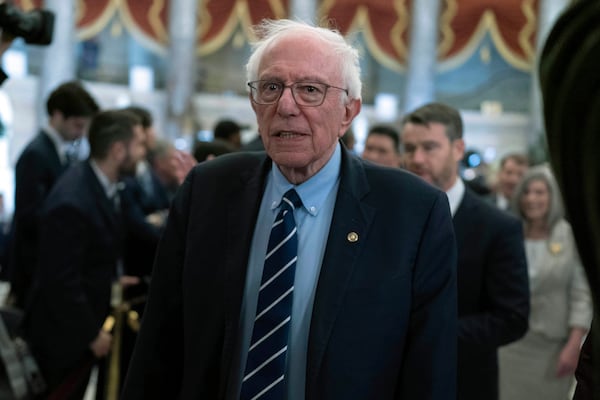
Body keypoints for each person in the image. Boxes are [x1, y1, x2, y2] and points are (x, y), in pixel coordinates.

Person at [122, 19, 457, 400]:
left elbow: (430, 373)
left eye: (310, 90)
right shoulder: (207, 190)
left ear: (348, 112)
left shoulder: (413, 212)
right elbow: (158, 348)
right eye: (271, 87)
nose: (285, 106)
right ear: (254, 102)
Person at [400, 102, 530, 400]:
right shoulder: (389, 215)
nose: (416, 159)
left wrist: (432, 333)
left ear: (458, 149)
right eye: (409, 148)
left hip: (464, 381)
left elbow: (512, 318)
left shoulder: (497, 227)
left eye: (429, 147)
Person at [22, 109, 147, 399]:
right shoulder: (73, 199)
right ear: (118, 150)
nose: (144, 152)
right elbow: (60, 280)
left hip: (76, 330)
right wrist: (90, 334)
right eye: (139, 144)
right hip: (60, 337)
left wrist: (114, 279)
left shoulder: (98, 185)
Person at [498, 165, 592, 400]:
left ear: (553, 196)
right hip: (510, 346)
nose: (532, 199)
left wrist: (574, 345)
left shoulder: (569, 236)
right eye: (527, 192)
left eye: (540, 192)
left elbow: (581, 294)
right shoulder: (509, 233)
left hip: (552, 348)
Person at [9, 80, 100, 308]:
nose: (80, 134)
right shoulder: (37, 154)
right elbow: (29, 215)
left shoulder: (59, 152)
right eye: (77, 126)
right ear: (57, 116)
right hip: (32, 265)